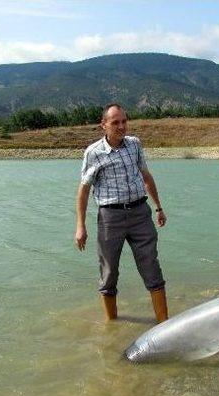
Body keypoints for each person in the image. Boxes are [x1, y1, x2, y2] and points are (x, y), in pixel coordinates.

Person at [74, 103, 168, 322]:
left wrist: (159, 207)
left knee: (152, 268)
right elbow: (83, 190)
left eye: (124, 121)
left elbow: (146, 176)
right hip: (110, 218)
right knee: (108, 273)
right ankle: (112, 326)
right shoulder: (94, 152)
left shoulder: (134, 145)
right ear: (103, 125)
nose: (121, 126)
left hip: (140, 214)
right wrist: (81, 226)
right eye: (115, 122)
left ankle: (164, 324)